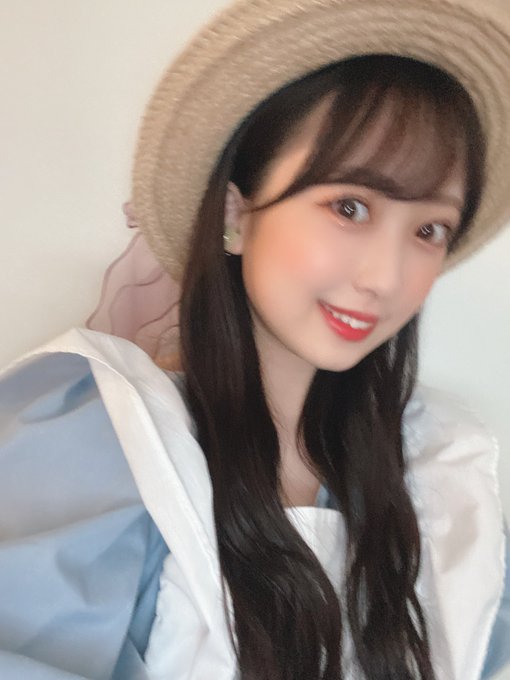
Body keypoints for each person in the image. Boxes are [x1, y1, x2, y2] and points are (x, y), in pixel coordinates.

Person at [0, 0, 509, 679]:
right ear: (237, 214)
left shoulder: (442, 470)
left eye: (428, 230)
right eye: (349, 207)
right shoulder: (103, 431)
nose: (386, 278)